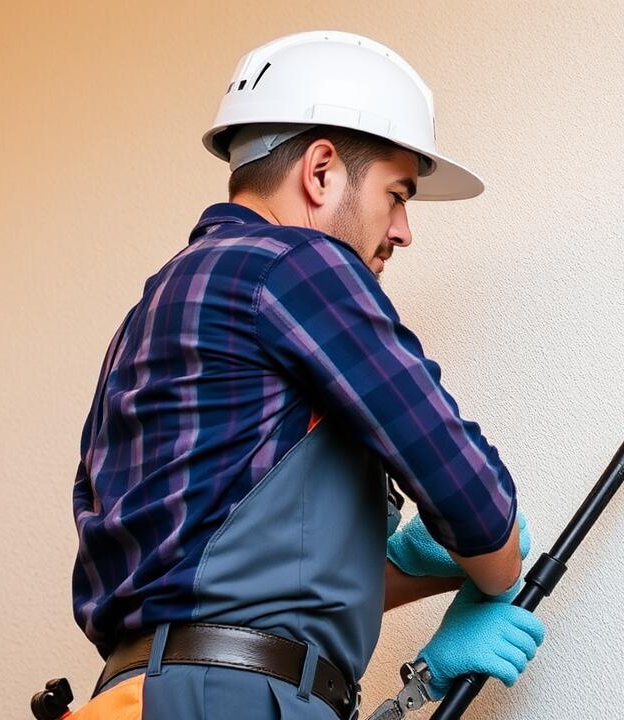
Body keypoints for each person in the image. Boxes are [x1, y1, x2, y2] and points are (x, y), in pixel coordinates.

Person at [67, 30, 543, 719]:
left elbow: (220, 587)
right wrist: (489, 566)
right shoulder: (293, 265)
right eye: (397, 192)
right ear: (321, 171)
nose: (403, 229)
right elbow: (479, 507)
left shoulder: (151, 316)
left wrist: (412, 570)